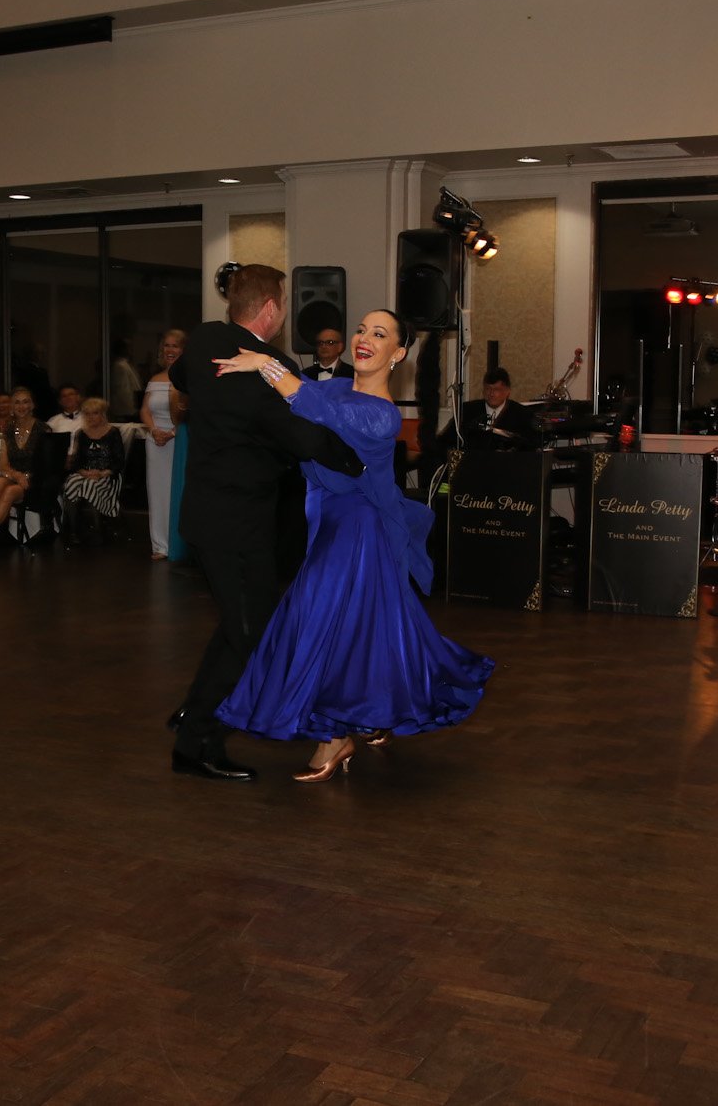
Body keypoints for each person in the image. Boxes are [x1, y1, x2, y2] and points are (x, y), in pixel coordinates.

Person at [210, 309, 495, 780]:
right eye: (362, 329)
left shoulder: (381, 415)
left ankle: (334, 737)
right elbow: (295, 399)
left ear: (397, 354)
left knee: (318, 620)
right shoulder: (337, 387)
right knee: (367, 628)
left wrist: (265, 363)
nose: (364, 338)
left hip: (357, 528)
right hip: (326, 520)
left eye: (379, 334)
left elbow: (314, 406)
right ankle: (369, 713)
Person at [165, 263, 365, 782]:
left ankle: (193, 716)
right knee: (252, 632)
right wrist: (359, 461)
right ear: (272, 308)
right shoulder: (268, 368)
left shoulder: (205, 339)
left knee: (241, 624)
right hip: (237, 521)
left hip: (207, 514)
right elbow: (302, 437)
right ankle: (197, 742)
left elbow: (179, 377)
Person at [0, 387, 50, 560]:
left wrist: (26, 477)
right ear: (12, 407)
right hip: (17, 479)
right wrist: (18, 476)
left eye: (25, 402)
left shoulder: (43, 429)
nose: (21, 406)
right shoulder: (9, 430)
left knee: (10, 491)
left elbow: (47, 465)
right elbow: (3, 466)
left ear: (32, 405)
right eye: (17, 402)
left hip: (36, 482)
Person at [140, 329, 187, 560]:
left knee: (178, 490)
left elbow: (192, 412)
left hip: (179, 440)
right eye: (166, 345)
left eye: (175, 346)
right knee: (157, 492)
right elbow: (144, 410)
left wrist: (171, 433)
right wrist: (154, 431)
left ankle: (178, 545)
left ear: (183, 350)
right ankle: (160, 545)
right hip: (155, 442)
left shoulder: (188, 379)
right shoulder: (154, 379)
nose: (170, 350)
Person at [61, 397, 125, 547]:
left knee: (89, 485)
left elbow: (119, 461)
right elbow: (76, 461)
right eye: (87, 414)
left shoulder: (113, 432)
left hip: (107, 474)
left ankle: (97, 529)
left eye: (95, 413)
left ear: (102, 414)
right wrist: (84, 472)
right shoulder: (81, 433)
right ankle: (74, 530)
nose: (91, 417)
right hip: (85, 473)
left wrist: (103, 473)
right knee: (71, 483)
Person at [437, 366, 541, 451]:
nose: (491, 394)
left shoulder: (521, 414)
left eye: (496, 389)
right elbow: (445, 440)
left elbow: (531, 446)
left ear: (507, 391)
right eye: (488, 389)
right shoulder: (467, 410)